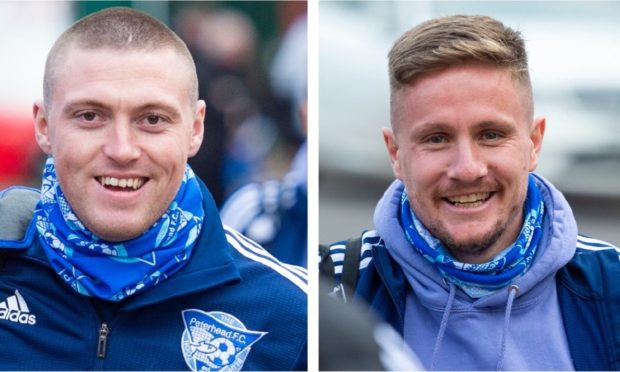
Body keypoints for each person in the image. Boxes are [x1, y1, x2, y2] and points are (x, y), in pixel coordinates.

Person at [0, 7, 307, 371]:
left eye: (152, 119)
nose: (122, 150)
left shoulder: (290, 315)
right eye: (89, 116)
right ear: (44, 126)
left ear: (195, 129)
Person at [320, 14, 620, 371]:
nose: (467, 168)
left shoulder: (611, 287)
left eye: (491, 134)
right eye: (436, 139)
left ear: (534, 143)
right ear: (395, 154)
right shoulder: (329, 290)